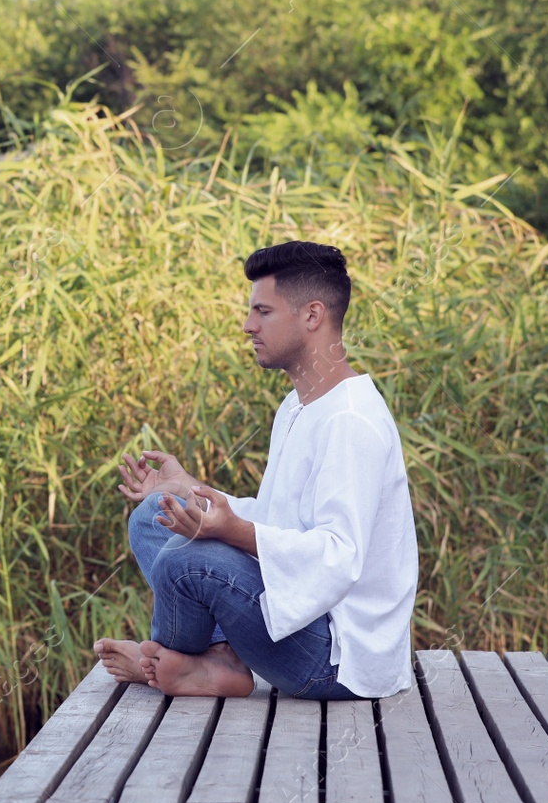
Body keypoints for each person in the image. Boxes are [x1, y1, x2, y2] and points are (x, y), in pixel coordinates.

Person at [93, 240, 417, 700]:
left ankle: (169, 662)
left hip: (339, 658)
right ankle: (218, 658)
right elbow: (279, 519)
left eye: (262, 312)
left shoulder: (350, 420)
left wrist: (233, 532)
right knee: (154, 515)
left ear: (312, 315)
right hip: (301, 617)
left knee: (185, 558)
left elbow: (339, 556)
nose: (248, 327)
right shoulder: (298, 406)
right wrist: (187, 488)